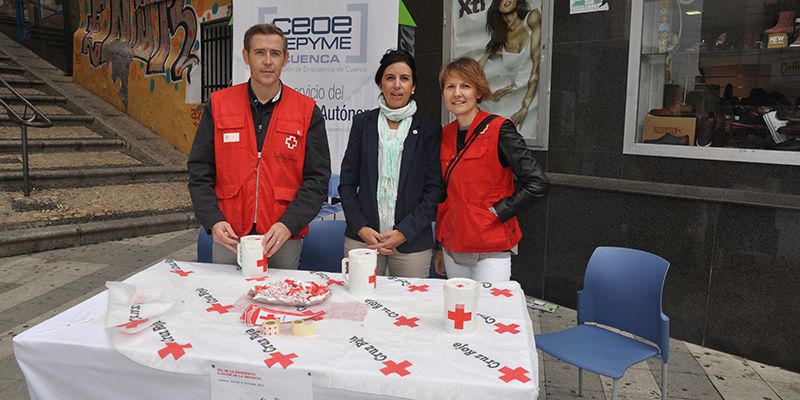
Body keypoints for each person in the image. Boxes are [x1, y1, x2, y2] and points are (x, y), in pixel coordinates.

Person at [188, 23, 331, 269]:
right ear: (246, 56)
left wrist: (289, 224)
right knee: (226, 299)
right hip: (229, 234)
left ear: (285, 59)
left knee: (279, 302)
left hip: (282, 236)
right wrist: (213, 220)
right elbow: (200, 170)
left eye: (275, 53)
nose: (267, 61)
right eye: (259, 52)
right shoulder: (219, 104)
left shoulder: (307, 111)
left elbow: (317, 179)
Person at [434, 57, 548, 282]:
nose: (457, 93)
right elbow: (443, 194)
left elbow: (538, 183)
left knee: (492, 311)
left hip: (490, 247)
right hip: (452, 247)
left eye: (465, 86)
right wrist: (440, 245)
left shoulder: (500, 129)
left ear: (478, 91)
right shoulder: (444, 135)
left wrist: (500, 211)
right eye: (450, 86)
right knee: (460, 312)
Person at [339, 49, 443, 278]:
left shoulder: (429, 130)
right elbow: (347, 184)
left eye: (404, 78)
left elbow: (434, 189)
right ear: (380, 84)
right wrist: (362, 228)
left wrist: (404, 232)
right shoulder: (362, 124)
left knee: (409, 309)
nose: (397, 85)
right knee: (360, 306)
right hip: (363, 240)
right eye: (390, 78)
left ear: (413, 86)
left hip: (411, 243)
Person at [478, 0, 542, 131]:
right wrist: (490, 95)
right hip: (508, 100)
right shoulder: (500, 37)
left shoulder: (532, 18)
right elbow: (474, 69)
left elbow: (537, 67)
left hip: (531, 100)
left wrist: (525, 107)